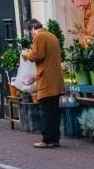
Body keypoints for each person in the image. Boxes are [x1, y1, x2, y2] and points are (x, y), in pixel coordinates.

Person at [22, 18, 65, 149]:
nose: (31, 35)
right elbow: (47, 61)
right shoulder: (52, 36)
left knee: (46, 111)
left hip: (47, 81)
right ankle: (55, 139)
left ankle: (46, 140)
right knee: (54, 111)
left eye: (30, 32)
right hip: (56, 80)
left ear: (33, 28)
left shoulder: (40, 37)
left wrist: (26, 54)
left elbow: (36, 56)